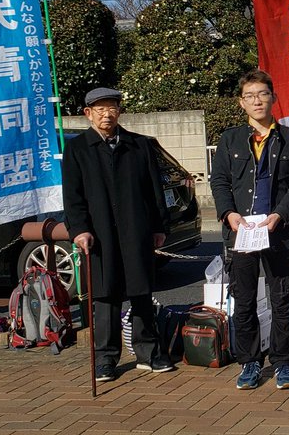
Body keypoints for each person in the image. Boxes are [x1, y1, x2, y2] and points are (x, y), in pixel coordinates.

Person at [62, 87, 175, 382]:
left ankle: (148, 352)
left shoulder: (139, 145)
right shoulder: (77, 149)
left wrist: (159, 227)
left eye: (111, 108)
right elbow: (72, 197)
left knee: (141, 292)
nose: (107, 114)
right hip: (99, 233)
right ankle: (105, 358)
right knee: (105, 295)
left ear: (119, 111)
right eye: (100, 109)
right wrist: (79, 230)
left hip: (136, 228)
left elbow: (154, 190)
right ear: (88, 114)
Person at [209, 70, 289, 390]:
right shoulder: (230, 139)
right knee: (244, 301)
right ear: (241, 102)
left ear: (273, 98)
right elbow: (219, 181)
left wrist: (281, 213)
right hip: (241, 233)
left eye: (263, 94)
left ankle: (284, 363)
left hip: (279, 231)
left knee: (282, 298)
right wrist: (228, 213)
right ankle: (249, 362)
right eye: (250, 96)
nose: (257, 101)